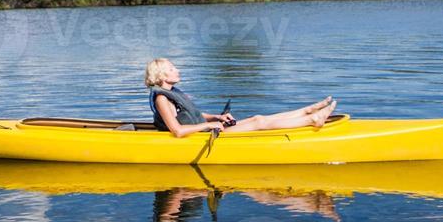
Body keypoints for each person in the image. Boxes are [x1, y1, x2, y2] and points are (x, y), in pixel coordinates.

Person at [144, 58, 337, 138]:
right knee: (259, 122)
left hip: (207, 130)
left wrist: (215, 118)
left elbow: (190, 114)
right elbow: (177, 131)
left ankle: (307, 111)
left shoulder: (173, 93)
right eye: (171, 69)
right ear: (162, 76)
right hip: (201, 137)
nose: (177, 70)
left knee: (257, 118)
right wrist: (209, 126)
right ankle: (312, 119)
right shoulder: (162, 99)